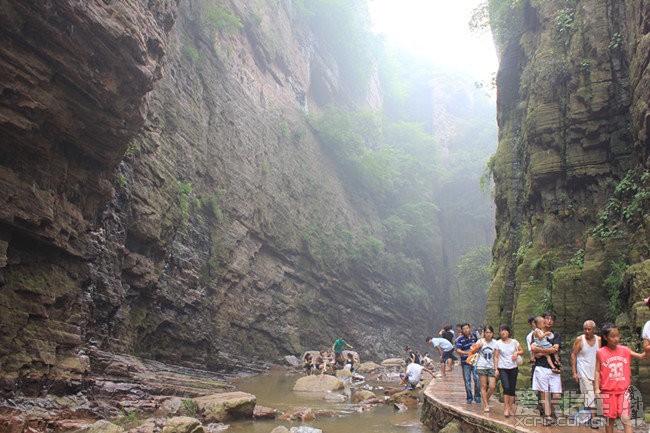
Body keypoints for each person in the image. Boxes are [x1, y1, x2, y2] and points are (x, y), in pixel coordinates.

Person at [594, 323, 647, 433]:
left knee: (626, 417)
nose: (616, 339)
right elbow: (597, 370)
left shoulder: (625, 350)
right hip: (608, 391)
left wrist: (647, 348)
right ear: (605, 337)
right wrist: (596, 388)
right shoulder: (600, 352)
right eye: (612, 336)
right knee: (610, 419)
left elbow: (641, 356)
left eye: (618, 335)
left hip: (624, 390)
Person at [530, 311, 562, 425]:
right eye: (547, 319)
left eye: (551, 319)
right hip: (541, 366)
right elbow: (533, 348)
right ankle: (548, 416)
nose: (549, 321)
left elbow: (555, 348)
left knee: (556, 394)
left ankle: (551, 412)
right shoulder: (536, 333)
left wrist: (541, 351)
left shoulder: (555, 335)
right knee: (544, 393)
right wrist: (547, 351)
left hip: (554, 368)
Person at [571, 320, 600, 422]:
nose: (587, 331)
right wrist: (574, 372)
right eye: (585, 329)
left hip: (595, 371)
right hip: (583, 370)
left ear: (594, 329)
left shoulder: (599, 340)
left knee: (594, 394)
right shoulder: (580, 340)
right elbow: (574, 355)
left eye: (589, 329)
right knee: (589, 393)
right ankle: (594, 418)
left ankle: (588, 414)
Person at [494, 324, 523, 417]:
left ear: (508, 332)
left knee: (512, 388)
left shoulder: (514, 342)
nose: (503, 332)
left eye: (505, 330)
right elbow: (496, 356)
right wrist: (496, 369)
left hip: (513, 367)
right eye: (501, 330)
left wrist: (516, 353)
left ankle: (511, 407)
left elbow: (522, 351)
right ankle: (506, 408)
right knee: (506, 387)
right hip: (503, 368)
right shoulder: (498, 343)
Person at [470, 325, 498, 412]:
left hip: (491, 366)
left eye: (490, 332)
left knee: (492, 386)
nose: (488, 334)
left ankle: (486, 399)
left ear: (492, 333)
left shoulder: (495, 343)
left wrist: (496, 369)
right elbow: (472, 351)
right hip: (481, 365)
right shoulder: (480, 341)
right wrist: (478, 347)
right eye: (487, 332)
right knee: (483, 385)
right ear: (484, 333)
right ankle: (486, 404)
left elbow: (496, 356)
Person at [455, 323, 481, 404]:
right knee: (467, 380)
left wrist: (475, 350)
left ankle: (477, 396)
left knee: (477, 378)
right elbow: (458, 350)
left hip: (475, 361)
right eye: (464, 329)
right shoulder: (460, 339)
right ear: (462, 330)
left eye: (467, 328)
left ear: (469, 328)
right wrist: (467, 353)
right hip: (465, 362)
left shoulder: (474, 337)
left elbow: (478, 346)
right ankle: (469, 397)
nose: (466, 330)